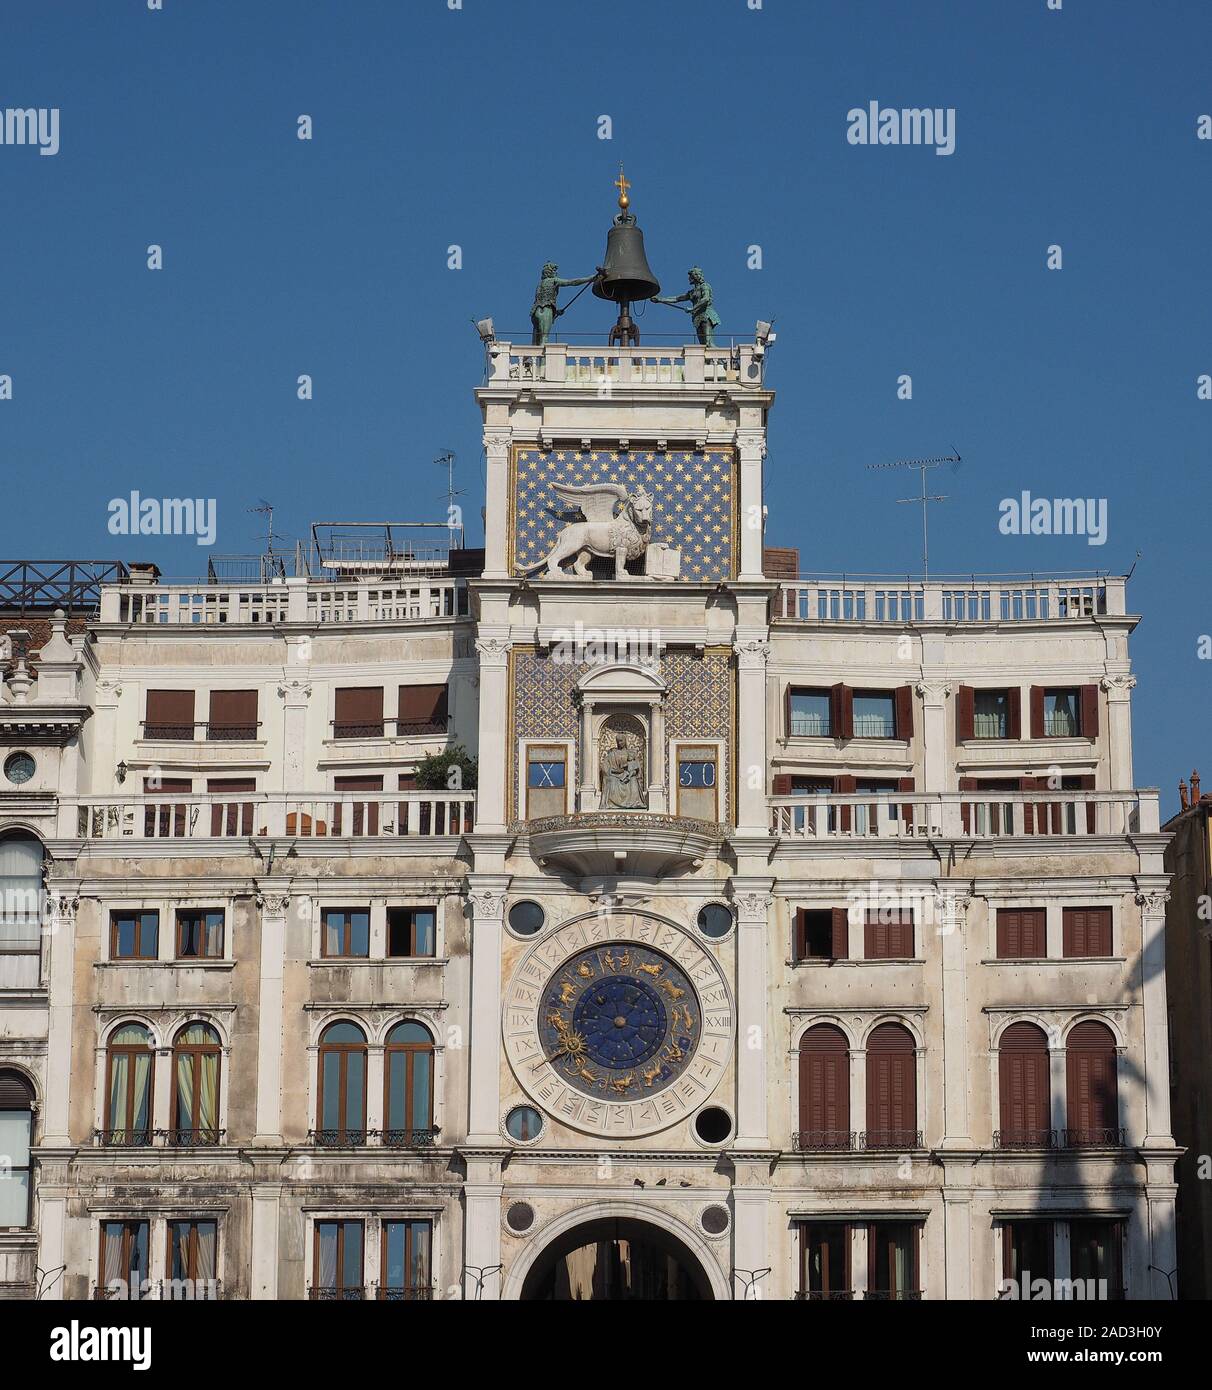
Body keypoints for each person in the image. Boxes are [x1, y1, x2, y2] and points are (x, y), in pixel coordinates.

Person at [530, 262, 598, 345]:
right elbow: (572, 282)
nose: (556, 273)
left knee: (536, 341)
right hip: (547, 309)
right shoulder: (554, 280)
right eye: (555, 271)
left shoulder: (540, 284)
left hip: (535, 311)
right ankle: (544, 358)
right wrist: (589, 278)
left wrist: (556, 312)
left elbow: (541, 299)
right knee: (544, 338)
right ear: (551, 272)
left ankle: (532, 357)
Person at [653, 266, 720, 347]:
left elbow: (705, 299)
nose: (689, 278)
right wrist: (660, 299)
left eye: (690, 276)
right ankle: (708, 360)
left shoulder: (705, 286)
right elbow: (677, 298)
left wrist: (693, 308)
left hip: (706, 315)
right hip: (697, 318)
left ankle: (723, 360)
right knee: (703, 346)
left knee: (709, 343)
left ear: (695, 276)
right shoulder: (691, 292)